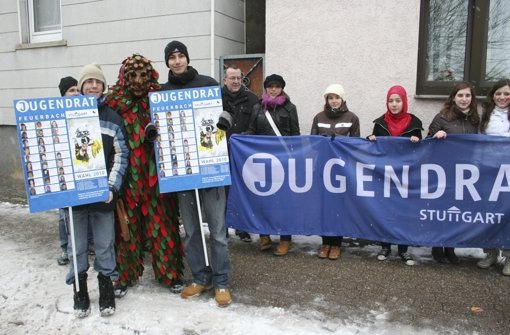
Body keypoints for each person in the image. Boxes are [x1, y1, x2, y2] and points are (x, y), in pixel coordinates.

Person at [105, 54, 184, 297]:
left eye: (143, 75)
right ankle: (126, 274)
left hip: (156, 177)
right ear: (125, 78)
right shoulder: (114, 103)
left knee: (163, 226)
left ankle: (169, 274)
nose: (138, 81)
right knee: (126, 227)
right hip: (127, 177)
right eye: (133, 75)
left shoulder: (160, 99)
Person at [161, 40, 232, 307]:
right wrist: (151, 131)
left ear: (187, 59)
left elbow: (228, 109)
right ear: (167, 62)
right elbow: (154, 123)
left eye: (181, 56)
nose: (177, 61)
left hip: (210, 167)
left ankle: (222, 281)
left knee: (217, 230)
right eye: (172, 57)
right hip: (182, 171)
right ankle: (201, 277)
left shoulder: (208, 83)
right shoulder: (162, 91)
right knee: (191, 231)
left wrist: (225, 120)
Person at [65, 63, 129, 318]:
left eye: (98, 82)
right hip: (74, 196)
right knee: (78, 245)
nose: (93, 86)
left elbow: (121, 156)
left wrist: (112, 187)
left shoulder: (112, 118)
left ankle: (106, 290)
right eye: (88, 82)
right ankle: (80, 291)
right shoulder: (65, 115)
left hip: (103, 194)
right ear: (81, 87)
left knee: (104, 245)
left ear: (104, 86)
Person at [245, 73, 300, 256]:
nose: (273, 89)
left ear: (282, 88)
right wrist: (240, 138)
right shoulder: (257, 108)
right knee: (263, 199)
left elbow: (295, 136)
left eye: (276, 86)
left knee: (284, 201)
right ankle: (264, 235)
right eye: (270, 86)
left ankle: (285, 238)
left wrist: (294, 158)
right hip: (262, 161)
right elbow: (252, 130)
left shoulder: (290, 108)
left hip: (283, 162)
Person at [367, 85, 423, 266]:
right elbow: (374, 149)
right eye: (391, 101)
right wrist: (371, 139)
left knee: (404, 213)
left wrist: (417, 141)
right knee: (385, 211)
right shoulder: (380, 122)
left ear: (404, 101)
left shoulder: (414, 123)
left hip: (406, 176)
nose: (394, 104)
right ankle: (385, 246)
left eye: (398, 100)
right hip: (385, 175)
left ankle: (403, 249)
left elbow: (421, 151)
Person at [427, 82, 479, 264]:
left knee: (456, 212)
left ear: (471, 99)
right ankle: (437, 245)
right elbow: (427, 143)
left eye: (467, 96)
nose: (464, 99)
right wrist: (436, 136)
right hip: (444, 172)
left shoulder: (474, 119)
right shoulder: (441, 118)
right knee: (441, 211)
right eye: (460, 96)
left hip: (465, 174)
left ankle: (451, 247)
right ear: (453, 98)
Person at [310, 84, 360, 260]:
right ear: (326, 100)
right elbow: (313, 143)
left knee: (339, 207)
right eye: (330, 98)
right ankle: (325, 243)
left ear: (342, 99)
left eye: (337, 97)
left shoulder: (352, 117)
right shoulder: (319, 117)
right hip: (323, 168)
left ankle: (337, 244)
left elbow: (355, 145)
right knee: (324, 206)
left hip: (342, 170)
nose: (334, 101)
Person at [217, 64, 260, 243]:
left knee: (242, 191)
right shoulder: (216, 97)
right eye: (232, 78)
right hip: (220, 152)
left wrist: (243, 138)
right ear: (224, 80)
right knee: (221, 193)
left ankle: (242, 228)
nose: (235, 81)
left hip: (242, 154)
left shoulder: (251, 99)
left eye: (238, 78)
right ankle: (223, 228)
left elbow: (256, 125)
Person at [56, 76, 95, 266]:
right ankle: (66, 248)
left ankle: (87, 243)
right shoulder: (57, 114)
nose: (76, 93)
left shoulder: (85, 112)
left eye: (77, 90)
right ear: (63, 95)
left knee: (84, 209)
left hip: (82, 168)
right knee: (65, 214)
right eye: (71, 90)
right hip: (66, 172)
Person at [477, 79, 510, 275]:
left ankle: (509, 255)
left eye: (506, 94)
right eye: (499, 93)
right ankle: (490, 252)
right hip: (490, 172)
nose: (502, 97)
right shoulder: (486, 115)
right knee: (490, 213)